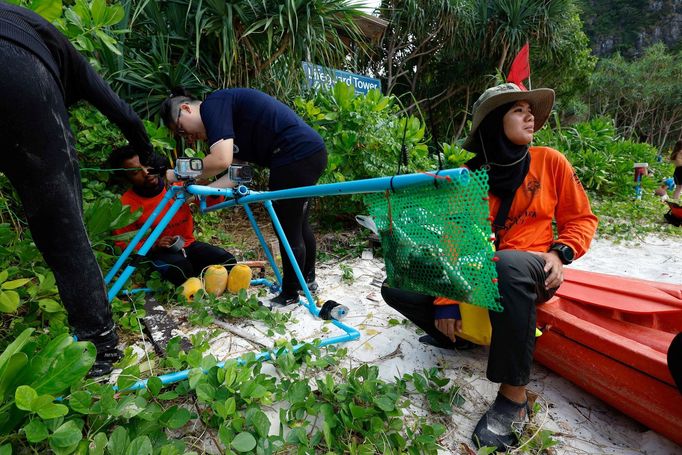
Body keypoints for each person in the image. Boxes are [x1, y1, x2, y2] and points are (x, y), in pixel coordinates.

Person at [381, 83, 598, 451]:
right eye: (518, 110)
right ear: (495, 122)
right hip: (479, 273)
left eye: (531, 109)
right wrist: (444, 301)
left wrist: (560, 253)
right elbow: (451, 242)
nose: (530, 116)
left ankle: (513, 397)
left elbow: (581, 218)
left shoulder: (550, 161)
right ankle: (463, 338)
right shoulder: (467, 175)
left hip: (529, 268)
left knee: (506, 264)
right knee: (396, 285)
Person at [0, 3, 154, 377]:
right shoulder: (53, 44)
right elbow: (124, 114)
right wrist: (150, 153)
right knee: (62, 229)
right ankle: (100, 351)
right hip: (16, 69)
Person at [159, 88, 327, 305]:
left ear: (185, 108)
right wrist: (202, 194)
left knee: (287, 228)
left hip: (294, 155)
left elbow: (220, 160)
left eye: (182, 130)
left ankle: (290, 294)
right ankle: (307, 282)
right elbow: (236, 174)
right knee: (297, 223)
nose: (190, 139)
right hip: (306, 152)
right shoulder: (228, 125)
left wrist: (174, 174)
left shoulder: (213, 105)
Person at [108, 146, 236, 286]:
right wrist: (154, 246)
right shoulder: (126, 205)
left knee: (228, 262)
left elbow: (210, 203)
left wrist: (210, 189)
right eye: (135, 172)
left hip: (188, 244)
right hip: (158, 254)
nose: (146, 173)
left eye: (148, 165)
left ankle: (200, 280)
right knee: (181, 271)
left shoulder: (177, 184)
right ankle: (194, 281)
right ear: (126, 178)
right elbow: (122, 244)